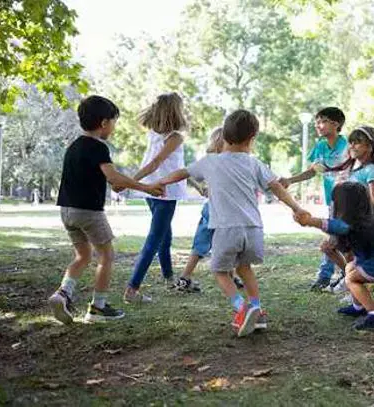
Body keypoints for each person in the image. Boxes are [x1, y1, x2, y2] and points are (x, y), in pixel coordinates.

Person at [159, 109, 309, 337]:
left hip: (226, 228)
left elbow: (182, 172)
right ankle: (257, 309)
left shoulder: (210, 161)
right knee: (244, 268)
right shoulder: (254, 163)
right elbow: (277, 186)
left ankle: (242, 308)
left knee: (220, 271)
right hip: (253, 229)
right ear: (252, 139)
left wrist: (161, 181)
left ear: (224, 137)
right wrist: (297, 208)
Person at [48, 95, 164, 324]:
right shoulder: (98, 147)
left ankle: (62, 294)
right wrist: (146, 187)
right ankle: (98, 308)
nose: (113, 127)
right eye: (113, 122)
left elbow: (108, 179)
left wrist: (120, 183)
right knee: (107, 255)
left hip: (67, 211)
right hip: (89, 212)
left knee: (82, 256)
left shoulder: (73, 146)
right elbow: (112, 177)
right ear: (103, 123)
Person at [294, 182, 374, 330]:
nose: (331, 206)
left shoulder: (358, 226)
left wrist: (310, 221)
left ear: (344, 205)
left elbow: (338, 226)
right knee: (351, 271)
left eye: (334, 202)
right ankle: (359, 307)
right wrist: (332, 253)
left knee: (351, 279)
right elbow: (348, 266)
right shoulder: (365, 223)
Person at [122, 93, 193, 303]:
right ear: (175, 111)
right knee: (154, 239)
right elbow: (156, 163)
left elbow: (178, 166)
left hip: (152, 189)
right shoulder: (175, 137)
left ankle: (169, 278)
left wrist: (197, 184)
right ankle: (132, 289)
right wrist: (128, 181)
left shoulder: (154, 134)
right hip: (164, 190)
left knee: (165, 235)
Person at [279, 107, 349, 291]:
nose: (318, 125)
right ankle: (343, 274)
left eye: (322, 121)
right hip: (332, 201)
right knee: (334, 237)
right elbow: (312, 171)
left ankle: (328, 276)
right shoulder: (320, 147)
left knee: (335, 238)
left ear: (336, 124)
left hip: (350, 201)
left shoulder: (348, 145)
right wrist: (289, 180)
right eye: (317, 122)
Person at [319, 125, 374, 293]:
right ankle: (349, 278)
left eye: (357, 143)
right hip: (345, 220)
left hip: (358, 223)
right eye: (351, 142)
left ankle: (353, 286)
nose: (352, 146)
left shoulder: (371, 170)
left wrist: (369, 222)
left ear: (370, 147)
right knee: (329, 248)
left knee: (351, 255)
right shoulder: (354, 169)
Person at [172, 127, 245, 293]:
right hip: (222, 210)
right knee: (228, 243)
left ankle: (185, 277)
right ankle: (229, 276)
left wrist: (204, 188)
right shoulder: (233, 162)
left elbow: (188, 173)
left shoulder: (210, 161)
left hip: (211, 208)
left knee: (201, 244)